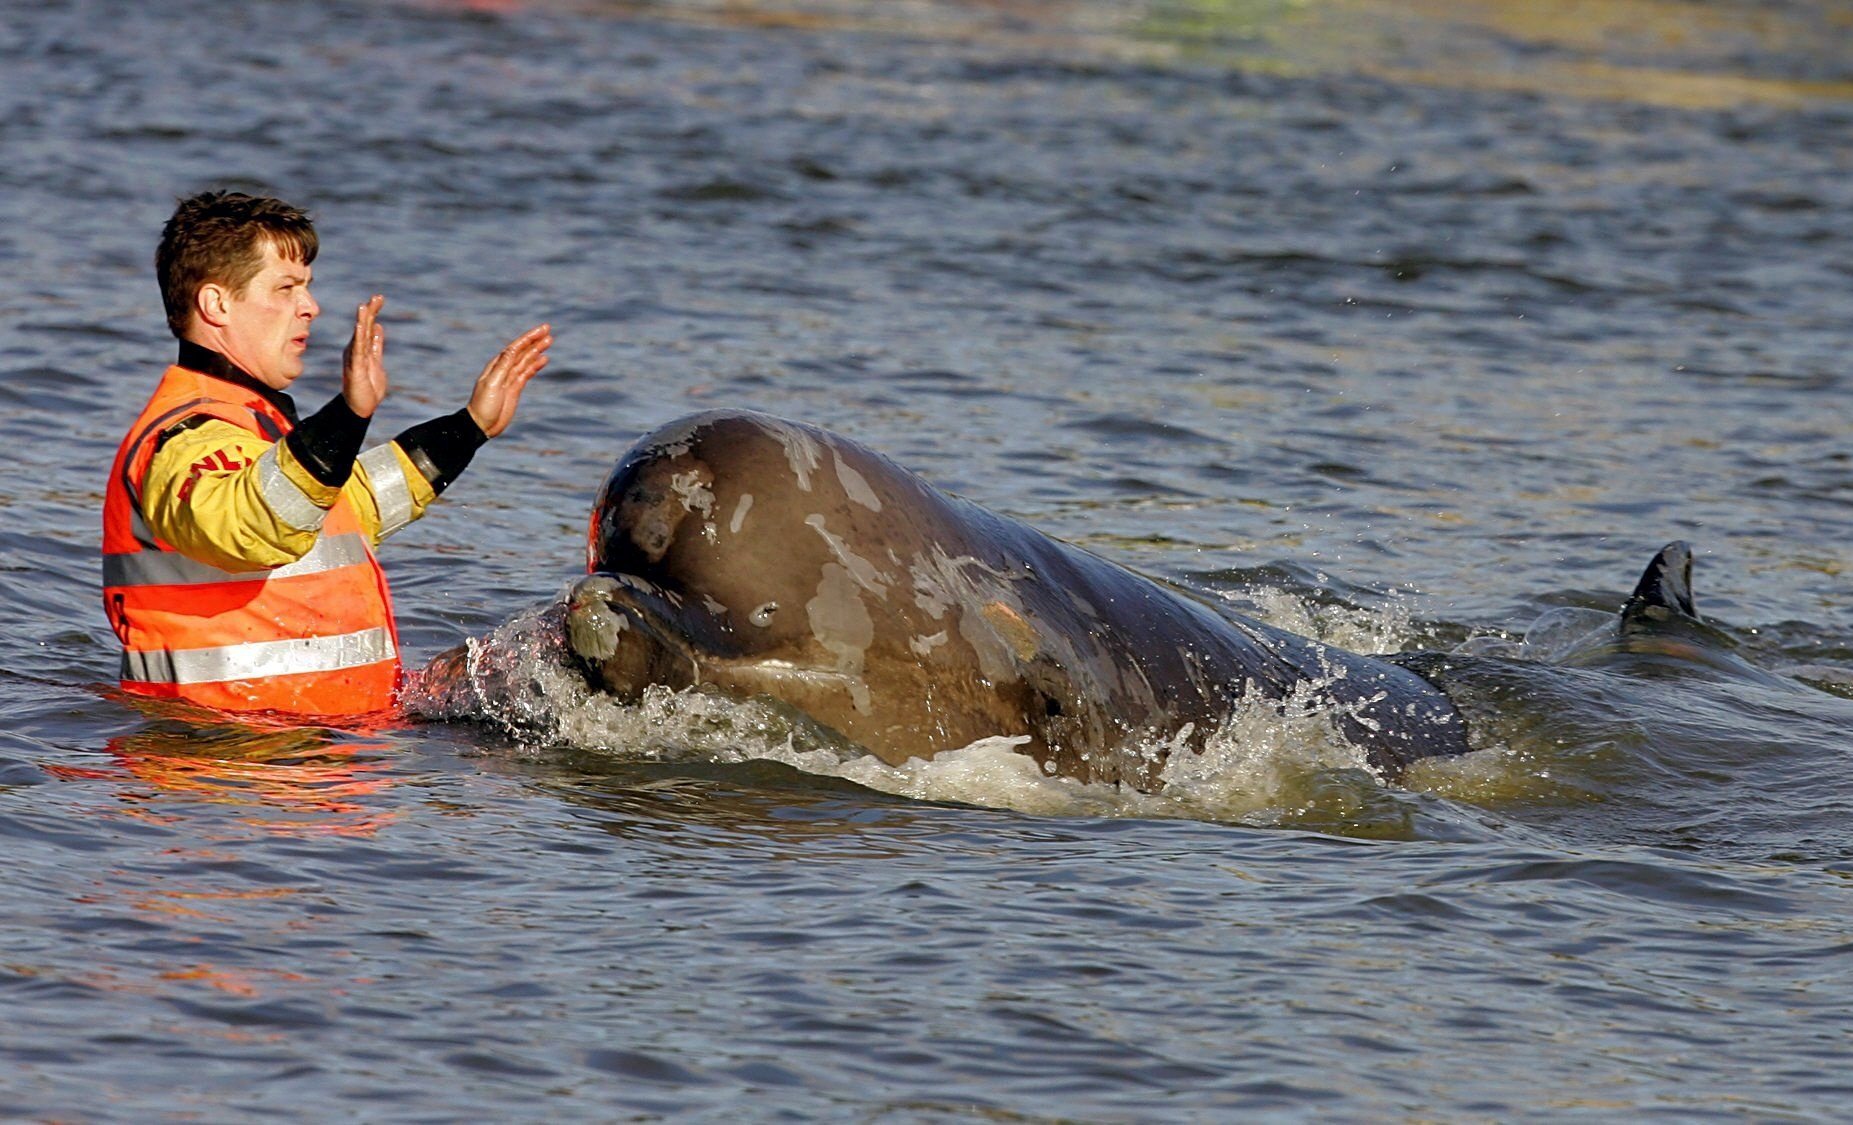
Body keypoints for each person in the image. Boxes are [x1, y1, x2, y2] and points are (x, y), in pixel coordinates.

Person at [102, 190, 552, 719]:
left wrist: (467, 428)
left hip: (310, 759)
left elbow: (346, 508)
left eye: (308, 287)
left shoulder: (253, 422)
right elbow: (255, 523)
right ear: (216, 304)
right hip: (223, 766)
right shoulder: (183, 434)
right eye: (287, 288)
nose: (310, 307)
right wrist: (348, 415)